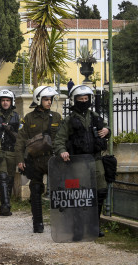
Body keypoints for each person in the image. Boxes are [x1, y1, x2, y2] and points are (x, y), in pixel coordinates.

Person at [53, 85, 110, 237]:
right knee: (79, 194)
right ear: (75, 100)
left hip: (95, 159)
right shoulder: (69, 121)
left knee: (100, 191)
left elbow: (105, 128)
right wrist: (62, 151)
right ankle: (77, 227)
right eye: (81, 99)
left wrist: (107, 130)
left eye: (86, 99)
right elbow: (59, 140)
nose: (84, 101)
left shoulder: (95, 116)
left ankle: (94, 226)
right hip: (77, 161)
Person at [14, 85, 61, 233]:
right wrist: (20, 159)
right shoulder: (28, 118)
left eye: (50, 99)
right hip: (34, 160)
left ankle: (60, 222)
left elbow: (63, 137)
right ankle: (38, 223)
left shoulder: (57, 117)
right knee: (35, 189)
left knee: (58, 191)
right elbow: (20, 140)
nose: (49, 102)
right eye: (46, 99)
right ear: (38, 99)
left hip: (52, 160)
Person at [0, 89, 20, 216]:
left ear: (11, 101)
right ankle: (5, 206)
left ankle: (5, 198)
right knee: (2, 176)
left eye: (7, 100)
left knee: (10, 178)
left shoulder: (16, 116)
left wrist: (10, 130)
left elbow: (20, 136)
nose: (5, 102)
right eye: (3, 100)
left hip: (11, 150)